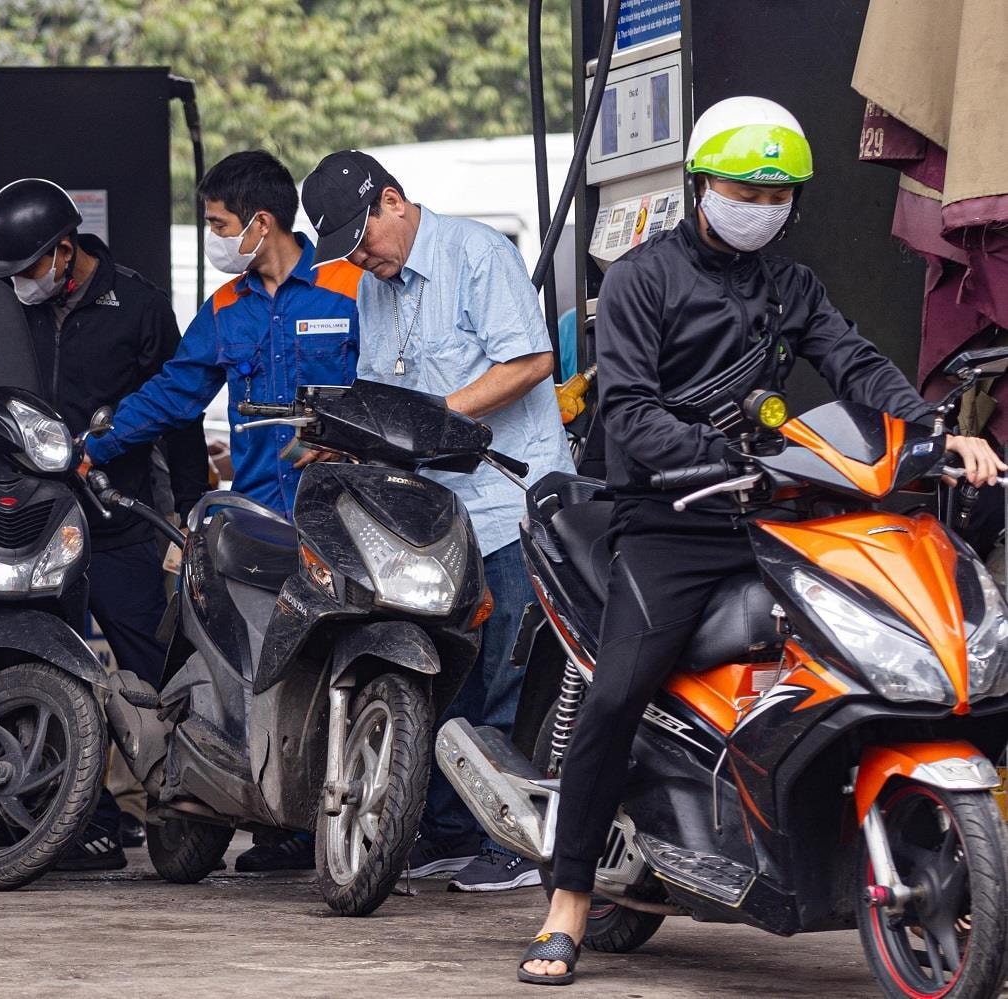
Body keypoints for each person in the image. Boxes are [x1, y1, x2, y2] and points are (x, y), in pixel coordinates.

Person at [517, 97, 1005, 986]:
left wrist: (936, 433)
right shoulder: (640, 279)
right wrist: (720, 454)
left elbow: (853, 361)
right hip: (670, 516)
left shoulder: (793, 285)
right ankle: (569, 898)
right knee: (619, 684)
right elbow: (627, 412)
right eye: (746, 187)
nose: (762, 203)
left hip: (777, 512)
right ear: (702, 184)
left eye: (779, 192)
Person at [302, 149, 575, 893]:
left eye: (363, 238)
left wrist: (436, 415)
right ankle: (450, 832)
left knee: (508, 678)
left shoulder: (477, 254)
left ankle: (518, 844)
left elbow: (529, 361)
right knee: (449, 676)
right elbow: (387, 390)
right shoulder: (372, 287)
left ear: (394, 200)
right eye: (347, 250)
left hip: (510, 504)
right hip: (436, 518)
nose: (361, 257)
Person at [84, 149, 363, 871]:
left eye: (217, 223)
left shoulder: (347, 287)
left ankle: (348, 814)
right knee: (264, 667)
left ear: (259, 223)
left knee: (340, 662)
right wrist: (98, 443)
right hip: (258, 527)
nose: (211, 236)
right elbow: (177, 391)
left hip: (344, 520)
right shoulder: (225, 309)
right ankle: (287, 823)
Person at [0, 178, 209, 871]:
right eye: (10, 274)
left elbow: (180, 416)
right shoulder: (1, 309)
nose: (20, 284)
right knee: (42, 665)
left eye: (28, 269)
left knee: (159, 669)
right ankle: (83, 822)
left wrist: (192, 514)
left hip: (117, 521)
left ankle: (189, 810)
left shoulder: (136, 305)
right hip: (30, 527)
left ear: (64, 250)